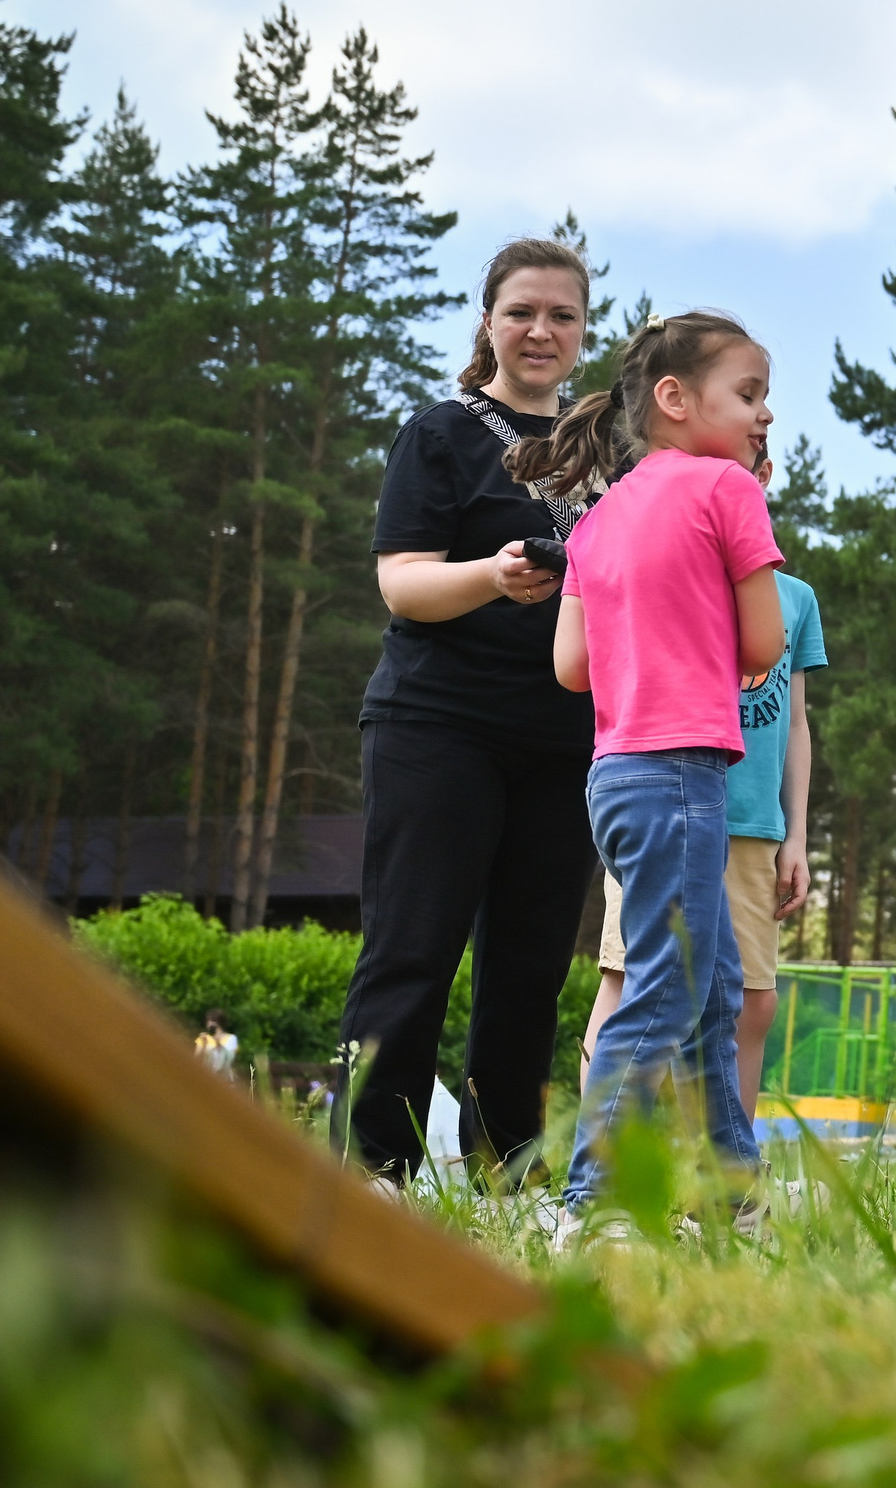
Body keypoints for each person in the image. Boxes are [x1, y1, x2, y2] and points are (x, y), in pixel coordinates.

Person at [342, 237, 600, 1185]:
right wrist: (493, 576)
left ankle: (507, 1171)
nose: (541, 330)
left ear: (582, 331)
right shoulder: (440, 432)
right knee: (413, 951)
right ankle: (377, 1173)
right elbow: (402, 585)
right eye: (523, 311)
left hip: (566, 736)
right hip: (436, 726)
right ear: (488, 318)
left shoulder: (601, 449)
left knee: (530, 971)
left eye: (561, 315)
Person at [532, 310, 787, 1235]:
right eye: (750, 395)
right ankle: (590, 1208)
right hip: (684, 774)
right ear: (676, 399)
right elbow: (764, 641)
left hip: (615, 776)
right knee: (667, 991)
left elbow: (571, 666)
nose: (764, 417)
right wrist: (719, 636)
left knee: (711, 985)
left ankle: (733, 1192)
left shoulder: (597, 519)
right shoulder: (729, 490)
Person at [580, 452, 825, 1121]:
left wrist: (797, 833)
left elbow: (797, 722)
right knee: (632, 978)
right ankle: (608, 1165)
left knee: (748, 999)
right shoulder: (654, 573)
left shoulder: (795, 599)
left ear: (762, 476)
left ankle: (723, 1186)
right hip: (664, 798)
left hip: (749, 822)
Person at [195, 1010, 238, 1080]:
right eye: (209, 1021)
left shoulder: (231, 1038)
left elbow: (229, 1058)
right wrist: (204, 1045)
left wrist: (217, 1042)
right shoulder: (203, 1038)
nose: (210, 1024)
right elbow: (196, 1058)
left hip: (223, 1078)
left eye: (213, 1021)